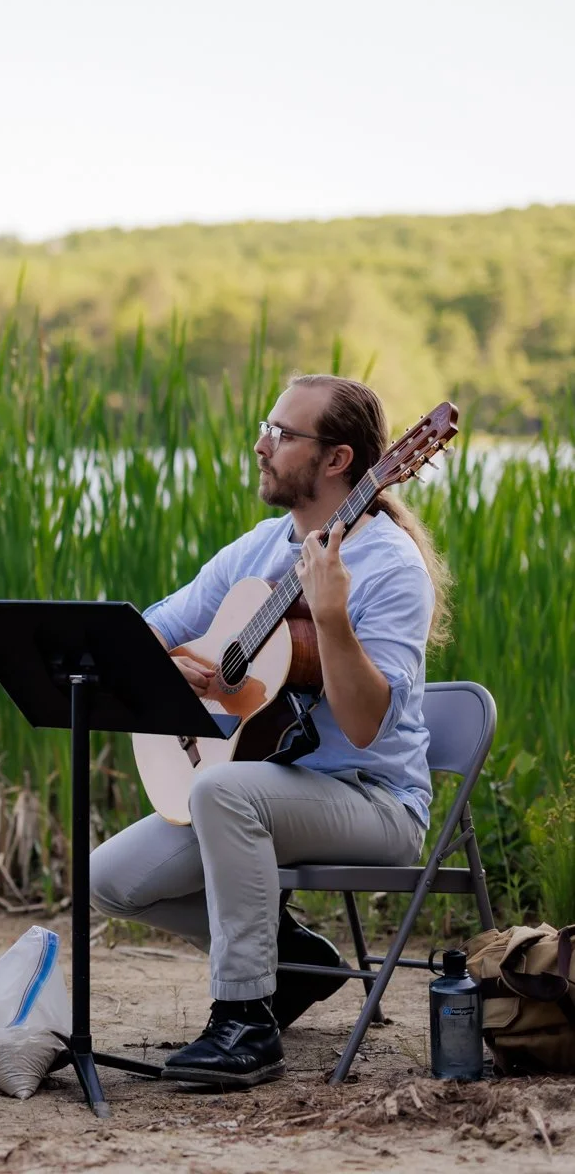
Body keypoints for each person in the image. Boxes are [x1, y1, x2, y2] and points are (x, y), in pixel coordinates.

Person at [89, 373, 451, 1087]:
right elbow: (153, 629)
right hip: (266, 782)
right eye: (267, 426)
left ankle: (244, 1020)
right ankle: (295, 963)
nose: (261, 445)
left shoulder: (390, 568)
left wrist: (333, 617)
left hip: (372, 798)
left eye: (283, 434)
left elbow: (366, 726)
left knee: (224, 792)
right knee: (108, 879)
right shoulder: (257, 550)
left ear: (339, 460)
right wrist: (175, 667)